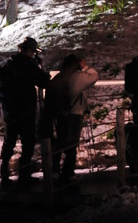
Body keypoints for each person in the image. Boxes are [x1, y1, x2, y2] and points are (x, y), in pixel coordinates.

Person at [0, 36, 50, 187]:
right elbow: (43, 82)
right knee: (28, 142)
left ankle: (4, 174)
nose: (34, 55)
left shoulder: (8, 64)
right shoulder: (28, 65)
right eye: (33, 52)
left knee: (9, 141)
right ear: (29, 51)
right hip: (25, 110)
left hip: (9, 111)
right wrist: (41, 69)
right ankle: (24, 175)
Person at [44, 51, 99, 185]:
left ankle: (55, 170)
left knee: (61, 139)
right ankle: (68, 173)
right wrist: (85, 67)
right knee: (72, 143)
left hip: (59, 114)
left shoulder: (57, 78)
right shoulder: (77, 77)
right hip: (74, 114)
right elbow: (94, 76)